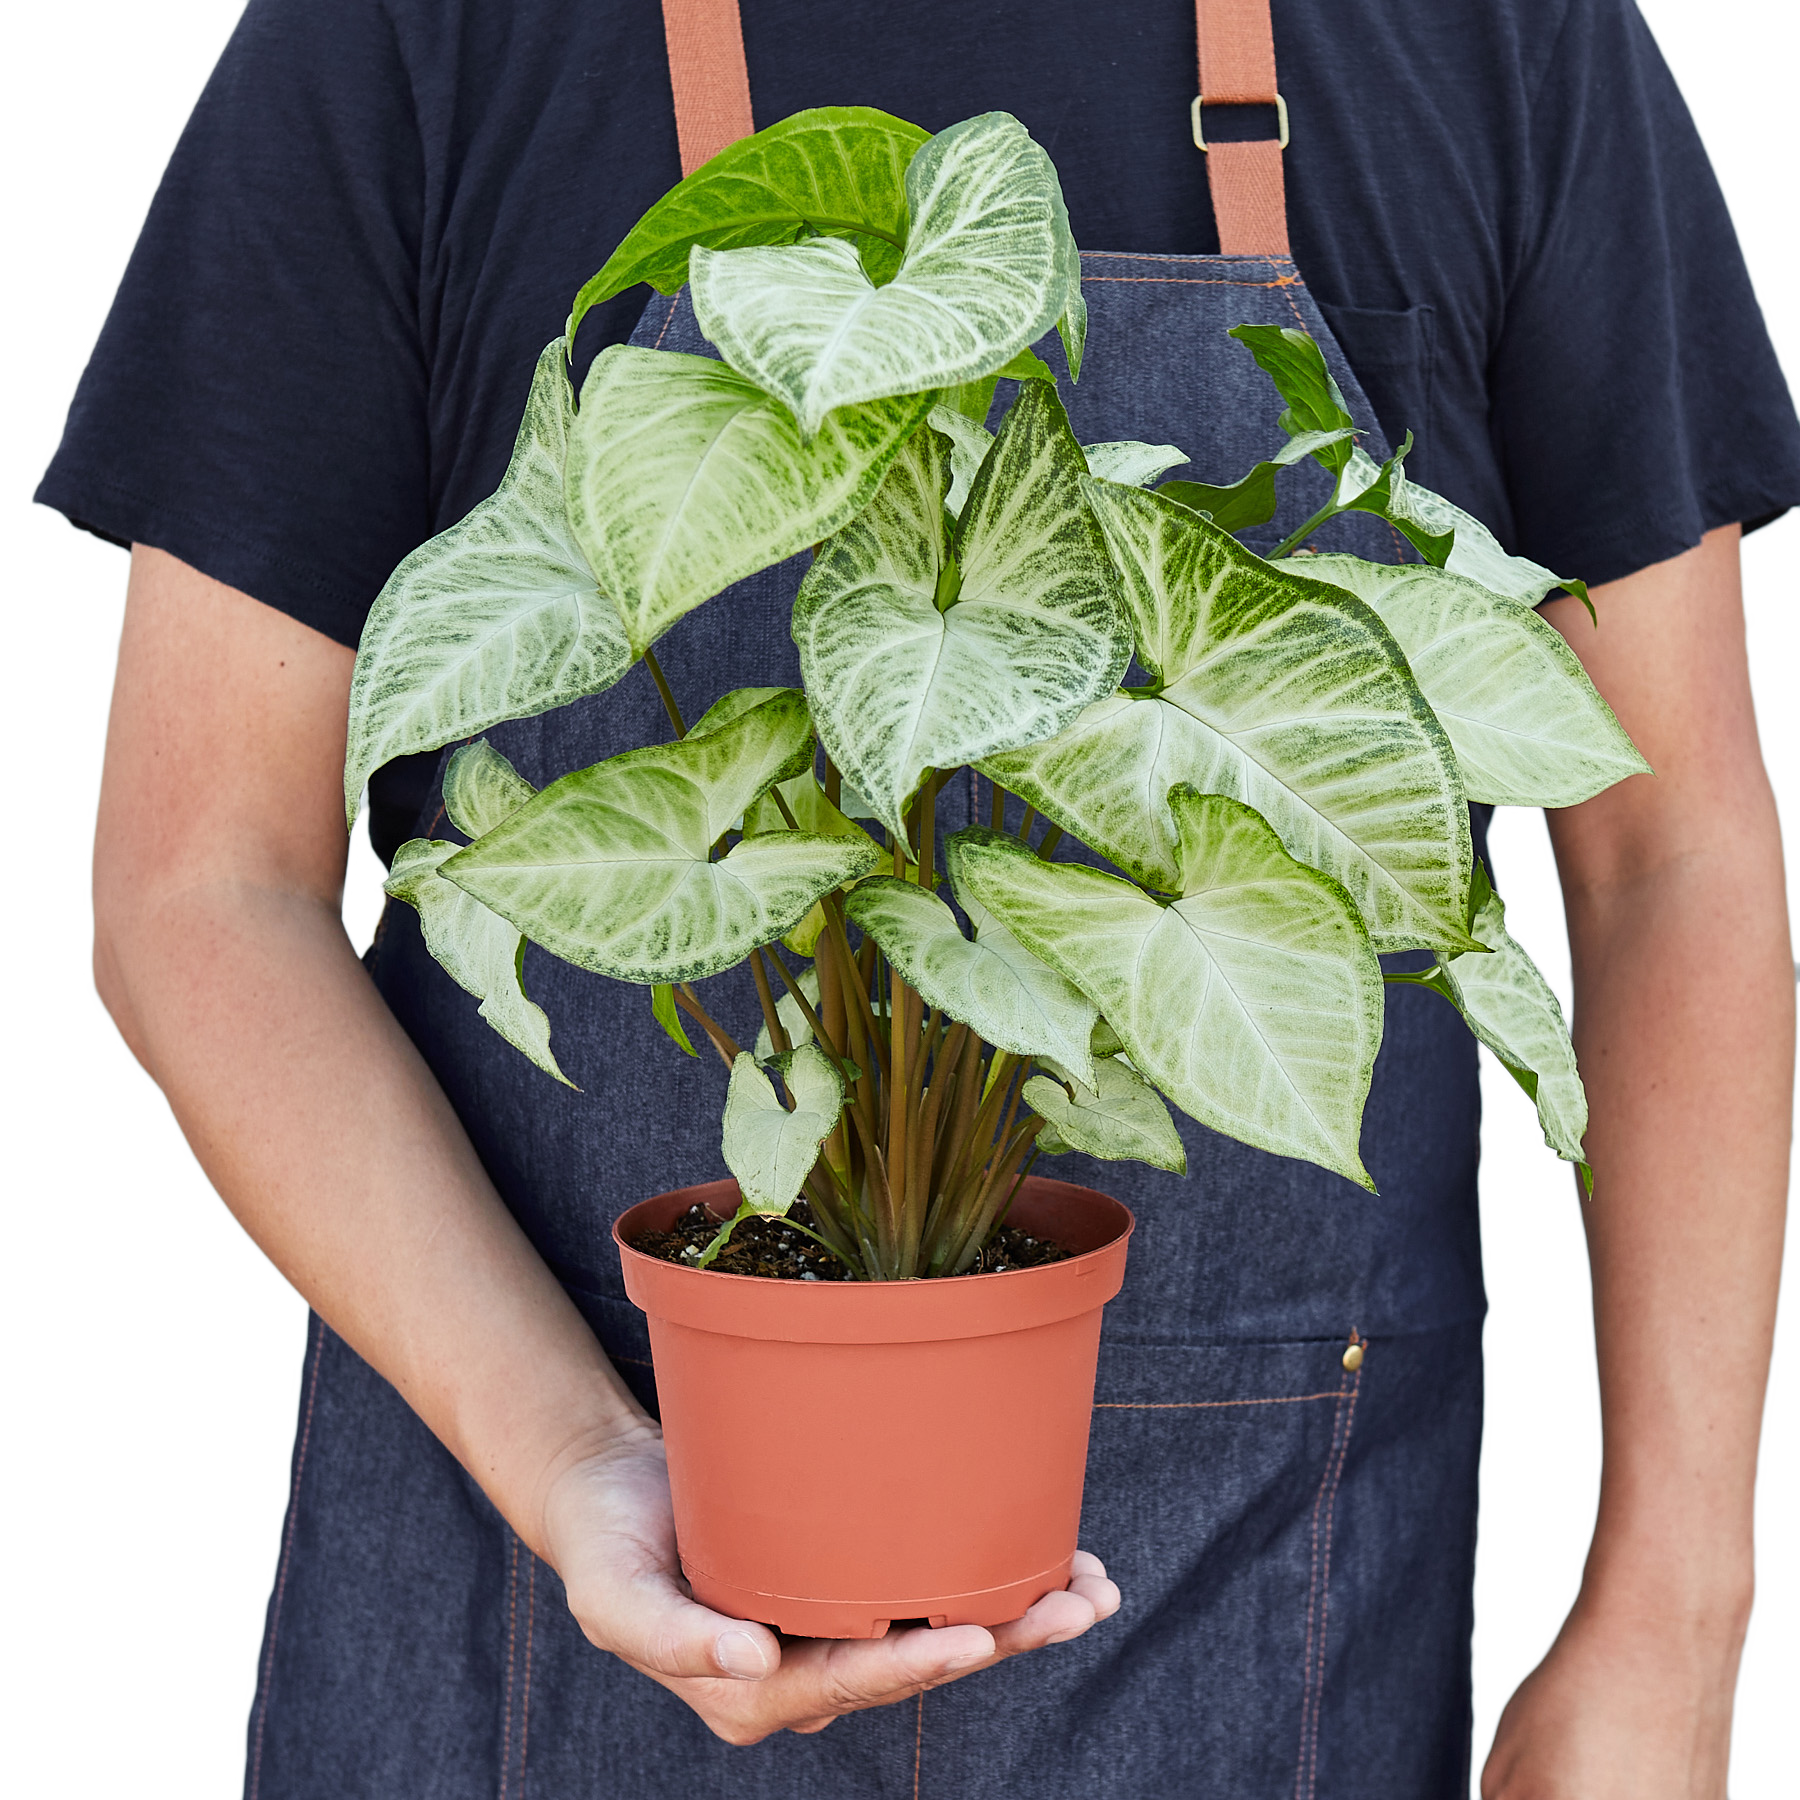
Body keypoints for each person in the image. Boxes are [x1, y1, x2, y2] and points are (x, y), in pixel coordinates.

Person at [38, 0, 1798, 1793]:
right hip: (538, 1588)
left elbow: (1672, 859)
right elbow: (200, 885)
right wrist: (571, 1457)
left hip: (1252, 1599)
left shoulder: (1489, 32)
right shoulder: (425, 34)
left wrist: (1672, 1619)